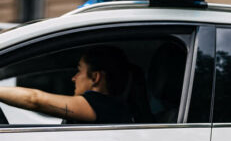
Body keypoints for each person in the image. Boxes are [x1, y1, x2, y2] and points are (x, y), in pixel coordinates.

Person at [0, 45, 132, 124]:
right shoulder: (115, 107)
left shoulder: (103, 105)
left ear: (95, 77)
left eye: (79, 71)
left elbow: (34, 99)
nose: (74, 78)